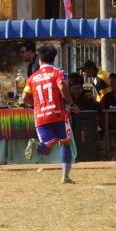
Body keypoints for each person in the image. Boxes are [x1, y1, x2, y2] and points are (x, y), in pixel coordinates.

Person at [22, 44, 75, 183]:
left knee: (46, 149)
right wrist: (71, 103)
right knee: (65, 142)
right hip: (58, 114)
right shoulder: (59, 73)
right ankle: (65, 176)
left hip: (41, 116)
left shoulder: (32, 77)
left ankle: (35, 144)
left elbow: (24, 97)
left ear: (39, 60)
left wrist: (36, 105)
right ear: (54, 58)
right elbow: (62, 86)